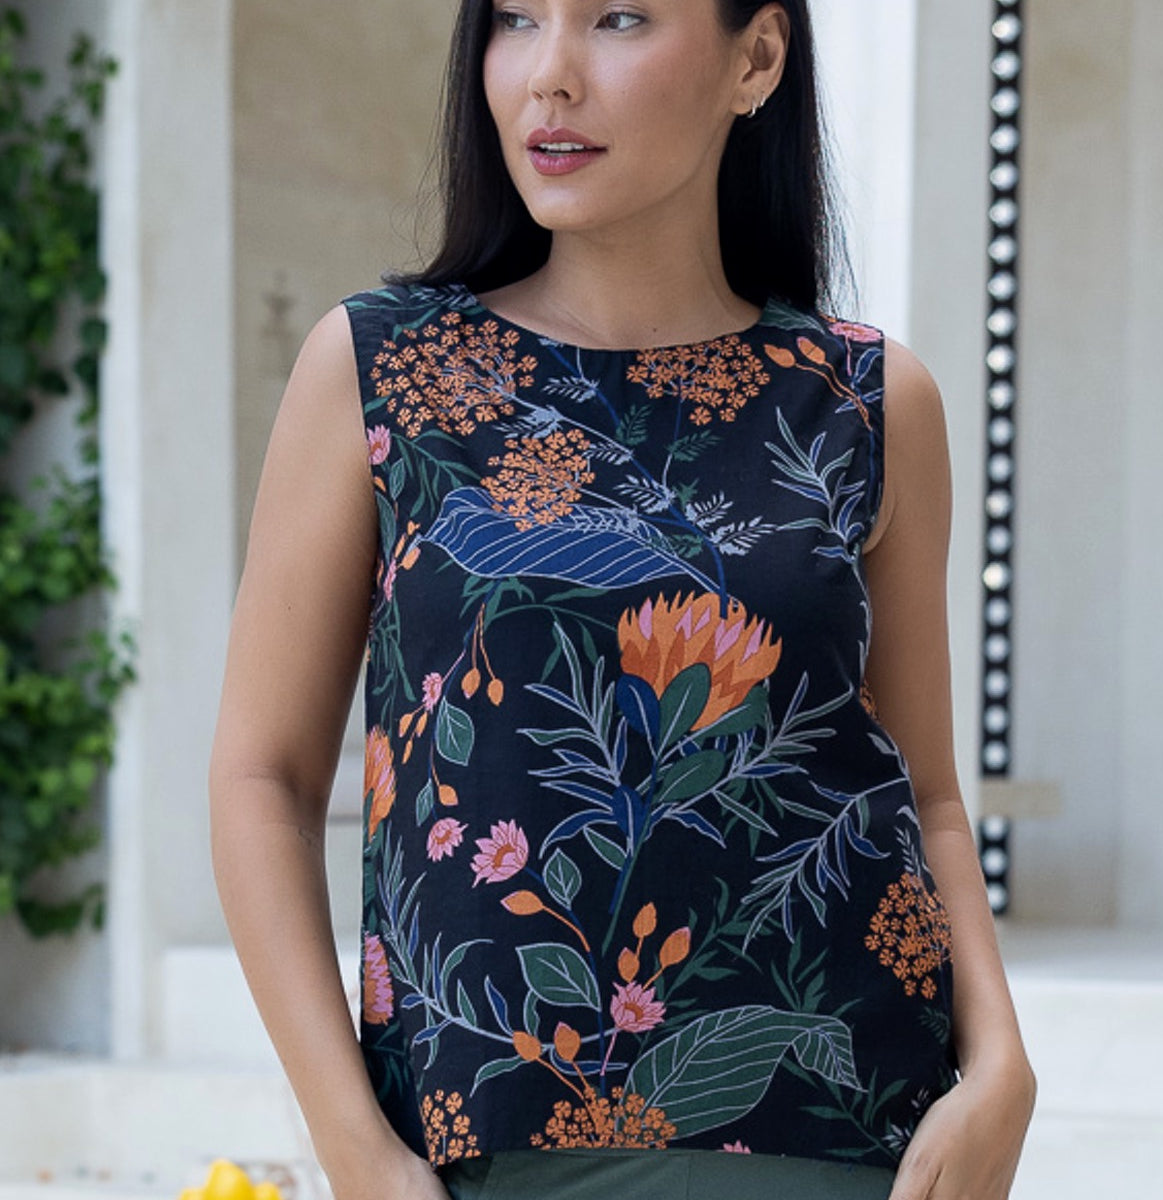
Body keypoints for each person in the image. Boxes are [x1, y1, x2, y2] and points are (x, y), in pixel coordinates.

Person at [210, 2, 1036, 1199]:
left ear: (754, 58)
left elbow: (926, 792)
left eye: (617, 18)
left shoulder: (867, 400)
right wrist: (357, 1148)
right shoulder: (381, 371)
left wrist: (999, 1061)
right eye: (515, 20)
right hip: (477, 1138)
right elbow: (259, 780)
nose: (548, 76)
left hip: (844, 1137)